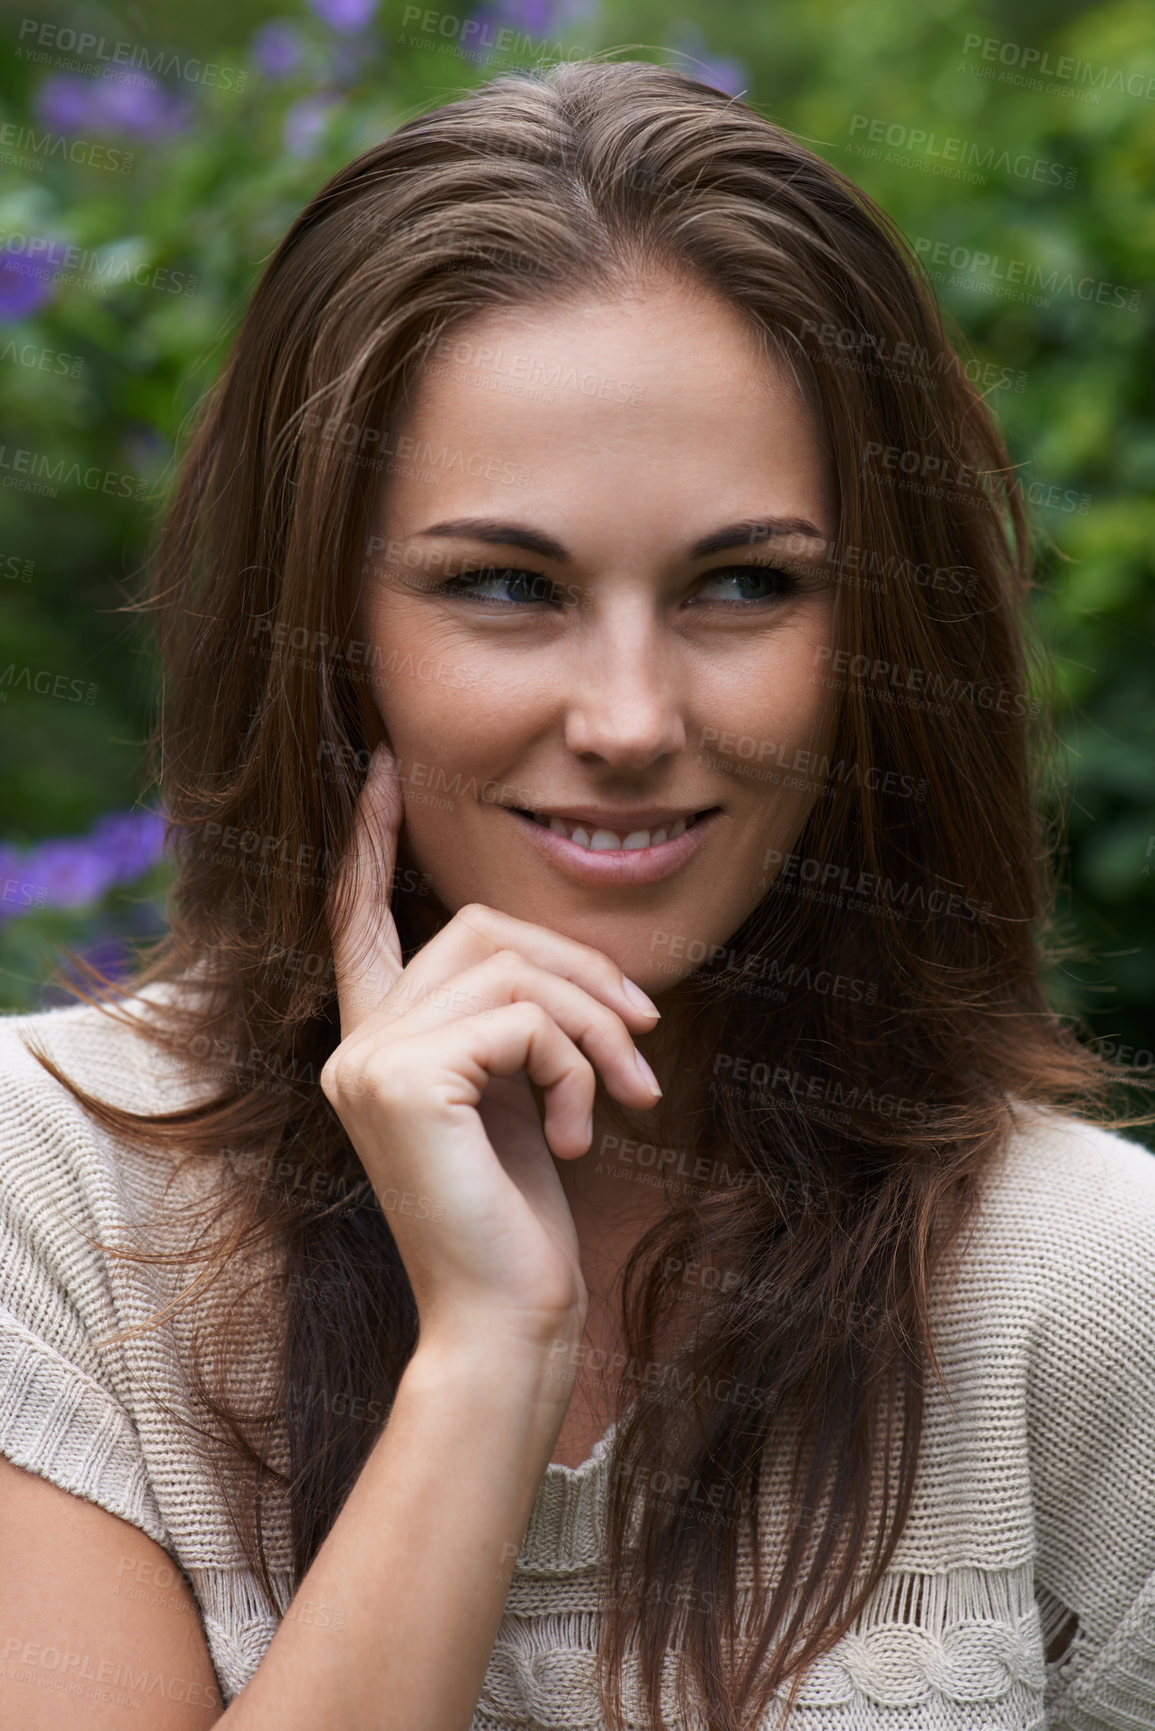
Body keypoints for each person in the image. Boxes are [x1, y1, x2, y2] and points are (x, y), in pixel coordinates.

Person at [0, 54, 1152, 1731]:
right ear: (322, 628)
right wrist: (487, 1358)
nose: (630, 721)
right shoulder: (51, 1209)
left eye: (746, 584)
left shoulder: (1084, 1290)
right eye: (506, 588)